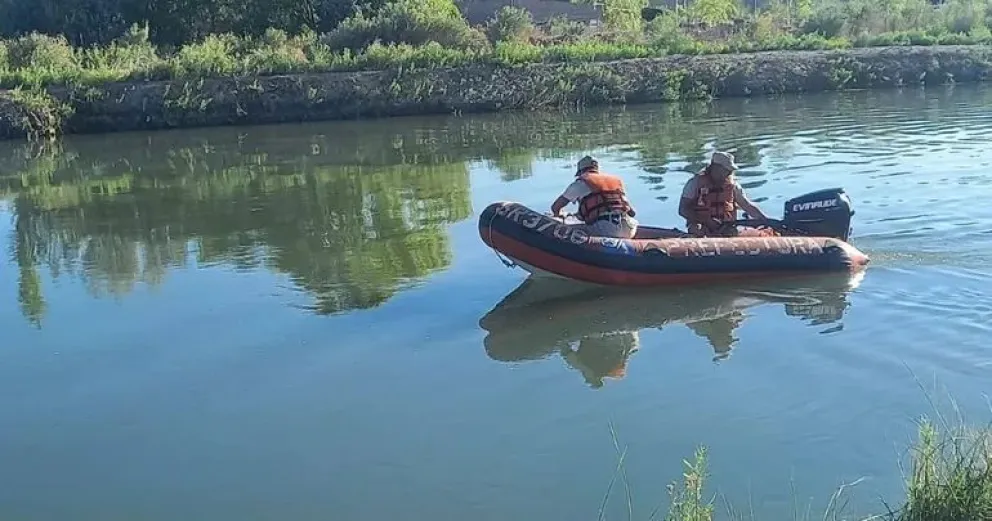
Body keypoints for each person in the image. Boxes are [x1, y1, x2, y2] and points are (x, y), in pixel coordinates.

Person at [678, 151, 771, 237]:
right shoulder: (695, 183)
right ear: (715, 168)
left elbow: (747, 205)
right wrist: (706, 220)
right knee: (697, 230)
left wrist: (766, 221)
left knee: (733, 232)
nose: (730, 172)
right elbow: (682, 210)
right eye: (727, 169)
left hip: (726, 227)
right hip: (701, 225)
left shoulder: (732, 185)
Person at [550, 155, 639, 239]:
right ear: (597, 170)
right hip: (629, 228)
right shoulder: (616, 181)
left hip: (608, 229)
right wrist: (575, 215)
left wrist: (558, 215)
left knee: (564, 230)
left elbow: (555, 207)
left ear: (581, 171)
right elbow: (632, 212)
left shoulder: (580, 183)